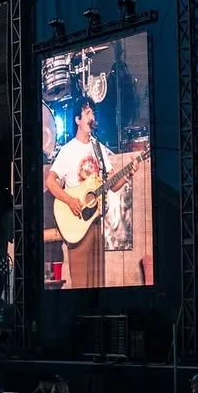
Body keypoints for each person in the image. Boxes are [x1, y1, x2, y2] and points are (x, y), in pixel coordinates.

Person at [45, 97, 141, 288]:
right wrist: (71, 200)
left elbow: (112, 185)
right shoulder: (68, 150)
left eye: (92, 112)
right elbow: (50, 181)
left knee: (97, 283)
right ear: (78, 120)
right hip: (78, 221)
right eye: (87, 113)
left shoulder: (98, 148)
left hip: (95, 221)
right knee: (81, 284)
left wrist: (128, 173)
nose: (91, 116)